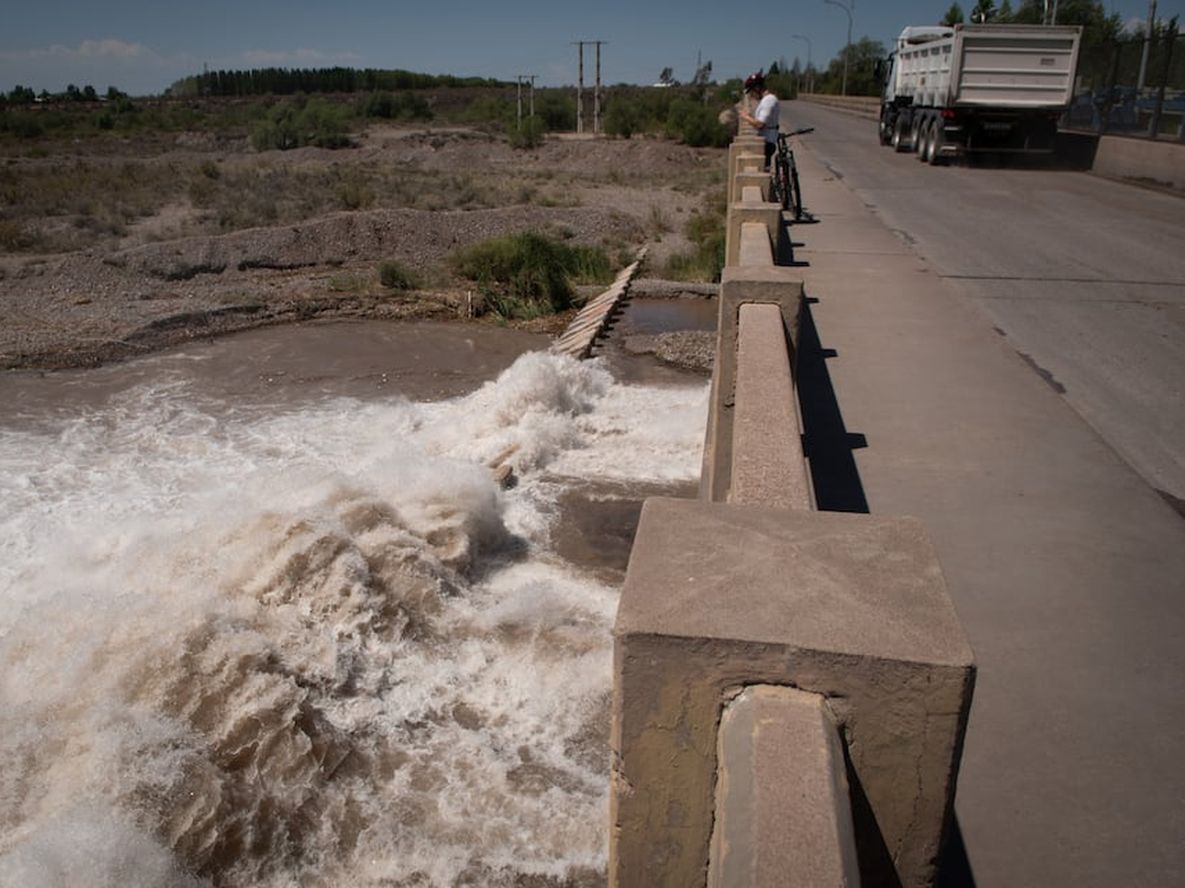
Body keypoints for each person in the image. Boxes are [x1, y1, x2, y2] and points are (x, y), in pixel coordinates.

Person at [739, 70, 779, 169]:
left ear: (757, 88)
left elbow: (760, 124)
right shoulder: (766, 100)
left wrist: (746, 117)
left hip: (767, 142)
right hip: (766, 140)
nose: (751, 95)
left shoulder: (768, 100)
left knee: (760, 169)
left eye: (751, 91)